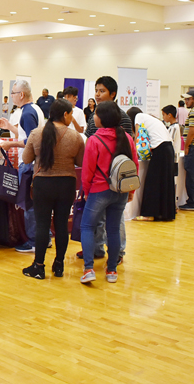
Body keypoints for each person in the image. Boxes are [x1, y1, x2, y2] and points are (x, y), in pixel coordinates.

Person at [21, 98, 85, 279]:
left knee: (42, 224)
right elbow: (80, 162)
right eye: (71, 114)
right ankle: (59, 265)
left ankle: (38, 266)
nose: (72, 118)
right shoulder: (75, 137)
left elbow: (26, 159)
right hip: (66, 184)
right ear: (65, 114)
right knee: (61, 225)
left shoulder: (37, 133)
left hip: (43, 184)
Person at [80, 101, 138, 283]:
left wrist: (87, 191)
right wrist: (131, 191)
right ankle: (112, 270)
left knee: (87, 226)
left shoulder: (94, 140)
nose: (93, 117)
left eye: (95, 114)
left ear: (102, 118)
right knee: (113, 230)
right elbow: (133, 166)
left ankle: (89, 268)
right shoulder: (127, 138)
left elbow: (87, 170)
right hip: (120, 190)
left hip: (99, 189)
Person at [82, 75, 133, 261]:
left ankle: (118, 252)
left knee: (115, 220)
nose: (97, 94)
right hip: (98, 179)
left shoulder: (123, 118)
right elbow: (88, 143)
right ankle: (96, 249)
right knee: (98, 220)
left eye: (102, 91)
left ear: (113, 94)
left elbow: (128, 150)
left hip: (115, 180)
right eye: (96, 90)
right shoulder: (93, 117)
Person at [0, 79, 45, 253]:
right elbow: (27, 134)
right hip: (35, 164)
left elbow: (32, 141)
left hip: (29, 164)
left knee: (28, 204)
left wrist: (11, 145)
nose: (11, 97)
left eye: (13, 94)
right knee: (36, 203)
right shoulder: (35, 110)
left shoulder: (26, 113)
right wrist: (9, 127)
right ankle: (42, 238)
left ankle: (32, 241)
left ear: (21, 94)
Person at [127, 107, 175, 221]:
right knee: (165, 182)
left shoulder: (139, 117)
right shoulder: (151, 119)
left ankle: (149, 213)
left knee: (152, 182)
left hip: (160, 149)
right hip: (168, 148)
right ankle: (166, 213)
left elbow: (138, 139)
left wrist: (133, 154)